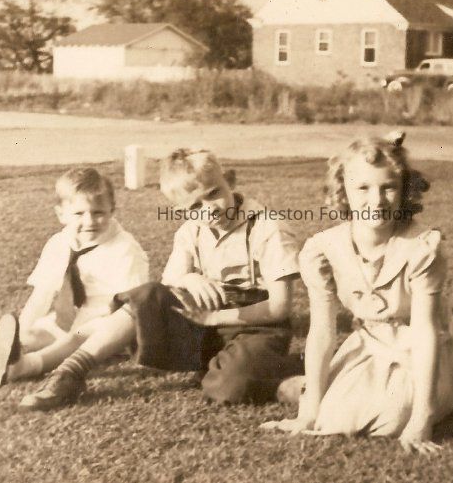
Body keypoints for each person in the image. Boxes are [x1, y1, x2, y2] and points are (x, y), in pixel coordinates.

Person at [18, 148, 302, 410]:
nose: (209, 209)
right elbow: (169, 281)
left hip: (256, 325)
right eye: (194, 206)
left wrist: (215, 317)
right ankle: (69, 374)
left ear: (230, 180)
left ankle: (288, 371)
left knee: (225, 388)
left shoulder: (267, 227)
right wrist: (189, 278)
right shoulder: (191, 230)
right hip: (207, 320)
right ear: (181, 210)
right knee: (145, 297)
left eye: (214, 193)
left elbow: (279, 308)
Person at [261, 132, 453, 455]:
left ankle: (414, 398)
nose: (377, 200)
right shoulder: (323, 249)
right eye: (363, 188)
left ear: (404, 190)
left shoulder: (422, 247)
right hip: (369, 343)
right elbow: (322, 331)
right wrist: (308, 413)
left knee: (393, 418)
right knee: (329, 417)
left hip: (421, 352)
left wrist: (421, 419)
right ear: (343, 190)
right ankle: (305, 388)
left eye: (388, 187)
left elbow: (426, 332)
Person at [0, 167, 150, 389]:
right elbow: (42, 294)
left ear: (112, 210)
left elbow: (133, 308)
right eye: (79, 213)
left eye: (98, 213)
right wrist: (18, 336)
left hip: (106, 327)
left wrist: (111, 333)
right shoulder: (60, 242)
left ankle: (27, 366)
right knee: (35, 335)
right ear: (61, 214)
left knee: (72, 340)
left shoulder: (124, 249)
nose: (89, 221)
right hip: (68, 317)